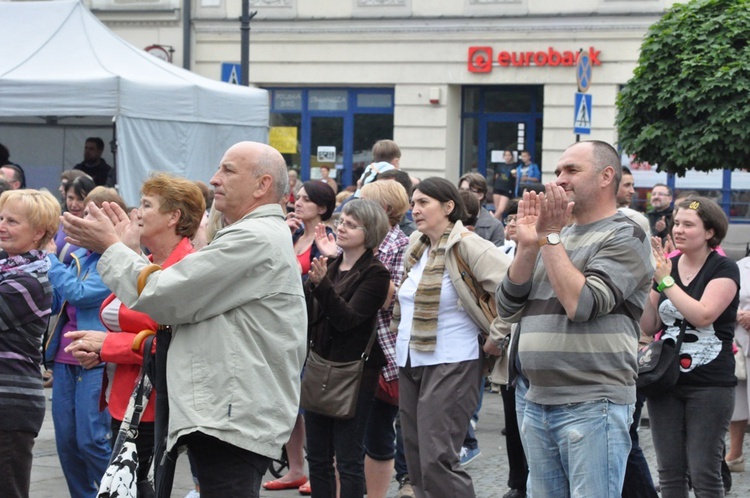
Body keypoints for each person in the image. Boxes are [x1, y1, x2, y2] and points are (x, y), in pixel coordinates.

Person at [61, 141, 307, 497]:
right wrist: (123, 251)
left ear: (262, 184)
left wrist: (112, 249)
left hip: (232, 414)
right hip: (227, 411)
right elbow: (172, 297)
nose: (215, 179)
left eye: (228, 170)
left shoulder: (255, 237)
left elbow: (165, 298)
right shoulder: (252, 234)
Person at [496, 140, 653, 497]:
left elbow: (582, 304)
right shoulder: (554, 236)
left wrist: (549, 237)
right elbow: (507, 309)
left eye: (572, 170)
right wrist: (526, 247)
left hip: (592, 401)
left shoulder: (626, 234)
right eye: (558, 172)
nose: (560, 179)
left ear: (605, 176)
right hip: (536, 400)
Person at [63, 174, 206, 496]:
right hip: (127, 398)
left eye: (146, 205)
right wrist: (95, 348)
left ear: (174, 217)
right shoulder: (150, 261)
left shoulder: (188, 265)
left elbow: (169, 337)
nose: (136, 212)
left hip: (158, 402)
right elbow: (125, 322)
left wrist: (107, 346)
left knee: (142, 486)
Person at [393, 177, 511, 498]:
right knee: (415, 455)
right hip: (411, 357)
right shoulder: (416, 246)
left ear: (448, 207)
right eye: (413, 203)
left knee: (437, 456)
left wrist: (497, 337)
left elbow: (514, 290)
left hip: (452, 360)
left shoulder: (467, 244)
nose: (414, 210)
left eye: (423, 203)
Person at [640, 196, 739, 497]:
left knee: (703, 473)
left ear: (710, 232)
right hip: (665, 379)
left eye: (688, 224)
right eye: (676, 223)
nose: (678, 230)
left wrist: (666, 282)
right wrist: (648, 282)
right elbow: (649, 325)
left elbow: (703, 314)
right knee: (670, 473)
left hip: (710, 384)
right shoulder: (666, 267)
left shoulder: (723, 268)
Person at [304, 198, 391, 497]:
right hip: (318, 365)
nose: (342, 228)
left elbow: (348, 320)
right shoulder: (330, 265)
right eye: (342, 222)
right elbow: (308, 312)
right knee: (316, 456)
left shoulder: (376, 273)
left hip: (353, 372)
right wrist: (322, 275)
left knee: (348, 460)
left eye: (352, 225)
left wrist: (322, 284)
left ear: (370, 232)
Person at [46, 187, 128, 498]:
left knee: (91, 440)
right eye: (85, 216)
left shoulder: (117, 257)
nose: (85, 223)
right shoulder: (76, 255)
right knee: (66, 443)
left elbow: (81, 293)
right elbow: (57, 302)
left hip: (96, 359)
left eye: (94, 217)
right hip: (66, 358)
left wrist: (51, 261)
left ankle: (116, 493)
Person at [262, 180, 336, 494]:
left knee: (310, 401)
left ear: (322, 208)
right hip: (283, 325)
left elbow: (326, 281)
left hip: (311, 327)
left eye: (306, 200)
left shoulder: (326, 239)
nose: (298, 203)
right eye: (298, 198)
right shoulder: (292, 233)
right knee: (287, 401)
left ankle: (324, 469)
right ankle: (295, 469)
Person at [0, 189, 60, 498]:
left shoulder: (30, 281)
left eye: (12, 221)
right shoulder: (8, 268)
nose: (2, 226)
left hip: (10, 404)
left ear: (38, 232)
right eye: (1, 218)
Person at [358, 181, 411, 498]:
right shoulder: (359, 242)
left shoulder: (401, 246)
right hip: (351, 352)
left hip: (384, 353)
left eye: (363, 202)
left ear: (385, 210)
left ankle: (397, 484)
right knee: (354, 434)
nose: (355, 208)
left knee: (379, 431)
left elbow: (391, 300)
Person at [727, 255, 750, 473]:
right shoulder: (740, 265)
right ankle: (735, 454)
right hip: (739, 342)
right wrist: (738, 315)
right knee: (738, 402)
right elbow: (725, 298)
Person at [53, 175, 96, 264]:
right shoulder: (58, 223)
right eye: (70, 198)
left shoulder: (95, 230)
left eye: (80, 199)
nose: (74, 204)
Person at [458, 172, 505, 246]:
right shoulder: (449, 219)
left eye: (468, 191)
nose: (463, 194)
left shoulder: (495, 226)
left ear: (480, 195)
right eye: (461, 190)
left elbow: (496, 255)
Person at [493, 150, 517, 220]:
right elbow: (496, 176)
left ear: (511, 156)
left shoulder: (514, 166)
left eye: (509, 155)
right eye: (506, 155)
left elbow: (517, 178)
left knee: (501, 209)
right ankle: (498, 229)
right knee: (497, 209)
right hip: (497, 187)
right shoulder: (500, 166)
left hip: (507, 189)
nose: (507, 157)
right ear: (503, 156)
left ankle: (491, 222)